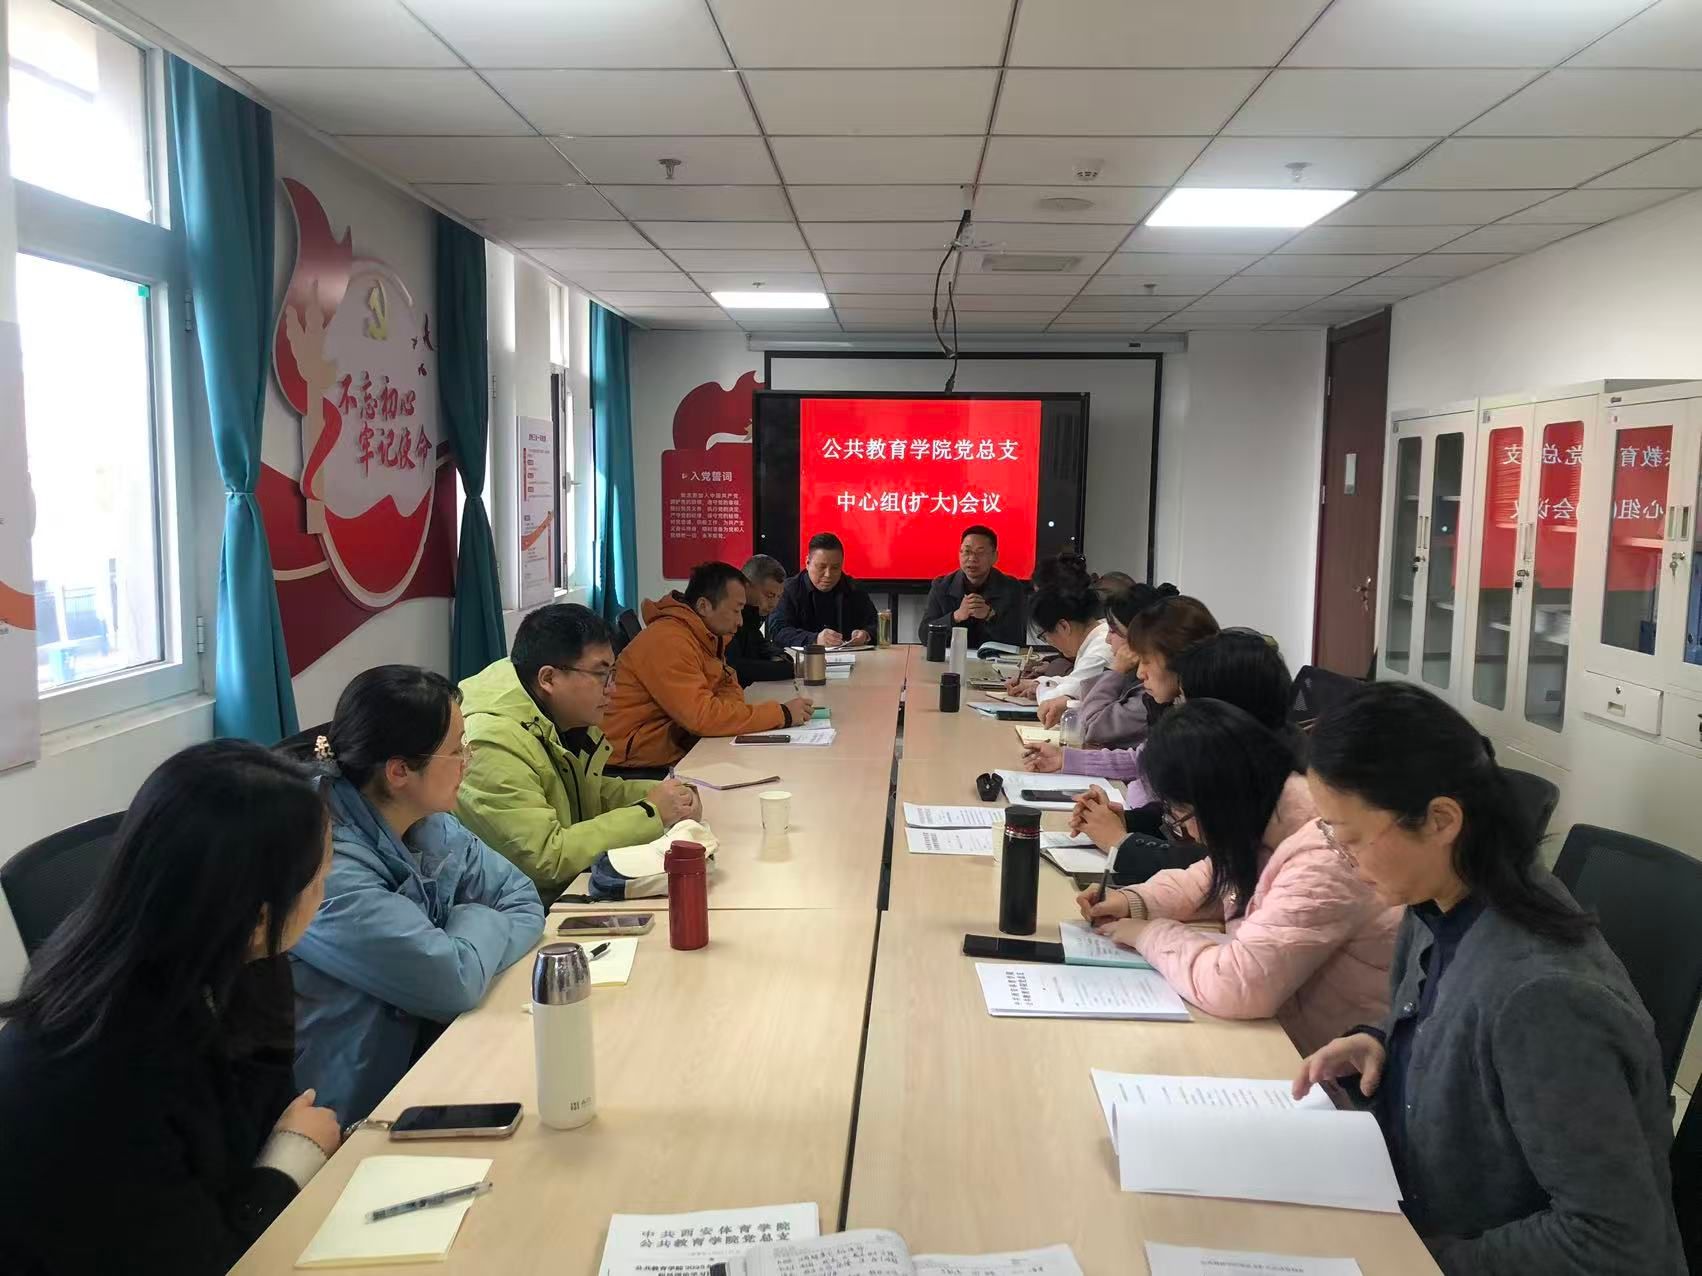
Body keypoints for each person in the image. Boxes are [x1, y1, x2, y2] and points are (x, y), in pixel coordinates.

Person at [1295, 683, 1683, 1275]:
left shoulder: (1543, 997)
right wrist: (1386, 1042)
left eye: (1349, 840)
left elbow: (1613, 1241)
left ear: (1441, 819)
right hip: (1410, 1205)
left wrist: (1415, 1260)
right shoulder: (1439, 899)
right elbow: (1461, 1034)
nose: (1342, 860)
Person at [0, 740, 342, 1275]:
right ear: (258, 917)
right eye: (319, 880)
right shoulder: (98, 1066)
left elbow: (266, 1114)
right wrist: (290, 1163)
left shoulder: (233, 955)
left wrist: (281, 1156)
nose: (325, 891)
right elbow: (201, 1260)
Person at [291, 666, 545, 1123]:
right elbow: (452, 983)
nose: (468, 760)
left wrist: (460, 952)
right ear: (400, 771)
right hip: (350, 1117)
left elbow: (523, 899)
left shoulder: (428, 819)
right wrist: (474, 922)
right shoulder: (325, 867)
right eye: (457, 749)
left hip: (441, 1062)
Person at [1077, 700, 1400, 1054]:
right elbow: (1215, 877)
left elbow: (1236, 984)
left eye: (1181, 817)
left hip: (1330, 1061)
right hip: (1289, 1036)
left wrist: (1148, 934)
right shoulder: (1268, 810)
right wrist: (1135, 901)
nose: (1190, 834)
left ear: (1215, 802)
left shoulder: (1324, 856)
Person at [458, 604, 701, 901]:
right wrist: (651, 813)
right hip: (523, 909)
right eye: (601, 675)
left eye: (613, 673)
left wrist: (668, 795)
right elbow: (547, 858)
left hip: (568, 888)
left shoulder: (561, 714)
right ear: (548, 679)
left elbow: (587, 796)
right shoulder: (491, 744)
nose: (612, 689)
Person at [1065, 629, 1290, 882]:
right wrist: (1125, 822)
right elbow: (1174, 819)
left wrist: (1121, 843)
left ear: (1226, 710)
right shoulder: (1240, 752)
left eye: (1184, 699)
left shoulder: (1272, 785)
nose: (1179, 708)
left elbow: (1219, 868)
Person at [603, 562, 814, 769]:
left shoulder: (704, 635)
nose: (740, 621)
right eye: (736, 610)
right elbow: (702, 717)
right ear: (704, 606)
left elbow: (726, 692)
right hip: (635, 757)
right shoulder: (669, 640)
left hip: (674, 743)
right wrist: (782, 714)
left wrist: (725, 714)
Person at [1026, 590, 1219, 778]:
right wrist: (1065, 759)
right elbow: (1143, 759)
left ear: (1177, 659)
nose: (1141, 672)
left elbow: (1094, 728)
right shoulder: (1176, 705)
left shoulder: (1201, 724)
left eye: (1146, 660)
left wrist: (1114, 671)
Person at [1006, 583, 1111, 728]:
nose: (1049, 643)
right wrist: (1038, 683)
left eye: (1044, 637)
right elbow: (1075, 682)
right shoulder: (1098, 634)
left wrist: (1039, 689)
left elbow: (1057, 700)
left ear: (1063, 626)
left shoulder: (1101, 649)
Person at [919, 524, 1028, 648]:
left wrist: (989, 616)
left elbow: (1017, 640)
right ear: (959, 554)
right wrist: (955, 617)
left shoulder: (1011, 588)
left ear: (995, 557)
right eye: (967, 551)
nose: (972, 558)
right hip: (952, 658)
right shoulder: (942, 586)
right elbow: (924, 635)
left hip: (994, 659)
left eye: (980, 553)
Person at [768, 532, 879, 649]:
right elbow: (778, 631)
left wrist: (866, 635)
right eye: (821, 567)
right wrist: (815, 639)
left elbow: (877, 625)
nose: (828, 574)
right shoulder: (788, 590)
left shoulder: (854, 589)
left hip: (852, 657)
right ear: (807, 563)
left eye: (835, 568)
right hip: (800, 659)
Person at [727, 554, 797, 686]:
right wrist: (788, 669)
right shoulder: (726, 615)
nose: (774, 604)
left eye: (778, 597)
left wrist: (780, 658)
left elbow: (762, 646)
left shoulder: (751, 616)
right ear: (746, 586)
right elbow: (733, 668)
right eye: (769, 595)